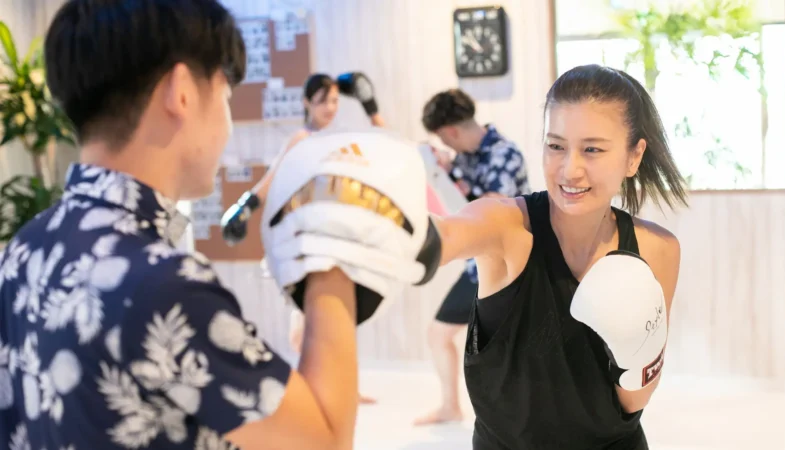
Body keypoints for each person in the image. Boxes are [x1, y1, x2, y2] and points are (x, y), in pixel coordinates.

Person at [0, 1, 435, 449]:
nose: (227, 124)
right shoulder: (163, 286)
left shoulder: (23, 250)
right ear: (182, 92)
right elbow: (322, 440)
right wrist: (332, 257)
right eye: (226, 95)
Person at [432, 64, 687, 448]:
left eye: (592, 149)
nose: (570, 169)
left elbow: (633, 402)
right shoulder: (506, 226)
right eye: (555, 146)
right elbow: (446, 235)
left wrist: (636, 350)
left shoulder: (657, 249)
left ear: (633, 157)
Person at [220, 71, 385, 404]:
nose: (330, 107)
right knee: (305, 323)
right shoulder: (301, 138)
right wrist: (243, 208)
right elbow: (270, 181)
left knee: (339, 315)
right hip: (305, 241)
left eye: (335, 100)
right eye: (323, 101)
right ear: (307, 102)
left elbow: (385, 146)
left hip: (335, 235)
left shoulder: (339, 138)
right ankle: (312, 391)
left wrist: (371, 107)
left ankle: (341, 389)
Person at [413, 88, 530, 426]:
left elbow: (492, 209)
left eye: (443, 139)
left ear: (450, 131)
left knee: (506, 347)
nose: (446, 145)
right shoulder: (464, 157)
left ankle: (514, 418)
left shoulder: (505, 153)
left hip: (510, 266)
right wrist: (446, 167)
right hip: (477, 266)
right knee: (440, 335)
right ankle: (451, 407)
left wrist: (450, 172)